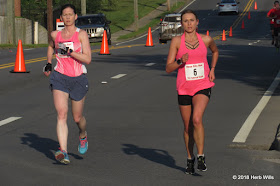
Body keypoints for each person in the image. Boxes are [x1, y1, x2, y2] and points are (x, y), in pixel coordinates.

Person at [166, 9, 218, 174]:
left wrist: (213, 69)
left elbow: (215, 51)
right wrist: (180, 61)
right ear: (181, 24)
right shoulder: (176, 41)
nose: (189, 24)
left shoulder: (206, 39)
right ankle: (190, 157)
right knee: (188, 126)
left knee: (196, 119)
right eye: (186, 21)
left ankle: (201, 155)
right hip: (184, 87)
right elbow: (168, 68)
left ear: (197, 22)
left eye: (192, 20)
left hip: (203, 84)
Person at [43, 4, 92, 164]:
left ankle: (83, 135)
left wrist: (71, 52)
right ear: (61, 18)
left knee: (77, 118)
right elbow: (51, 47)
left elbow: (88, 59)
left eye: (71, 14)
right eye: (65, 15)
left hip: (78, 78)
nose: (68, 17)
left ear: (75, 17)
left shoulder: (81, 35)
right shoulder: (55, 34)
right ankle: (63, 151)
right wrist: (49, 63)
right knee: (62, 113)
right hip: (60, 77)